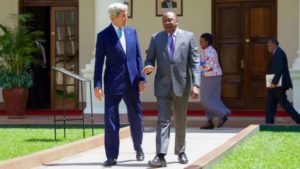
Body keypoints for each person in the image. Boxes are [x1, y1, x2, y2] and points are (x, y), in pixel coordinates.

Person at [144, 11, 200, 168]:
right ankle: (160, 155)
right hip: (162, 85)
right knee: (163, 120)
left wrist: (196, 85)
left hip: (181, 86)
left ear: (177, 21)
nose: (166, 23)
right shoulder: (156, 38)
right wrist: (148, 66)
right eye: (163, 21)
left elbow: (195, 62)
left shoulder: (189, 37)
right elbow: (150, 59)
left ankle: (181, 151)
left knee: (180, 119)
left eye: (169, 20)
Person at [93, 3, 146, 166]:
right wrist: (97, 85)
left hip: (132, 81)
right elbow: (99, 63)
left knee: (136, 118)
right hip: (112, 83)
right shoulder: (103, 35)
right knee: (110, 120)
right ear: (114, 16)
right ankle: (111, 156)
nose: (126, 17)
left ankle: (138, 148)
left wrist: (142, 77)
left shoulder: (132, 31)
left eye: (126, 14)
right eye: (124, 15)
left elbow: (138, 57)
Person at [199, 33, 230, 129]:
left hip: (210, 77)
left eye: (202, 41)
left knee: (206, 101)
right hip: (209, 76)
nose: (200, 43)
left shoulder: (210, 52)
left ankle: (223, 113)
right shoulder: (206, 51)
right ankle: (210, 121)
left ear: (207, 42)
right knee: (211, 99)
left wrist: (197, 66)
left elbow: (208, 66)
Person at [265, 39, 300, 124]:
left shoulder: (279, 53)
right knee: (270, 104)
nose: (267, 47)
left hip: (278, 85)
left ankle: (299, 119)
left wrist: (273, 82)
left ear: (274, 45)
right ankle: (269, 124)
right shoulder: (276, 53)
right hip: (274, 85)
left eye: (268, 45)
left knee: (284, 103)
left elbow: (279, 69)